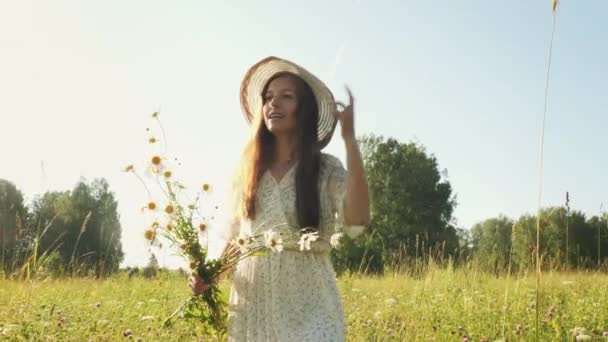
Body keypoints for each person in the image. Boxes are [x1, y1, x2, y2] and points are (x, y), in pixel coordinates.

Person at [189, 56, 370, 341]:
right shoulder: (247, 171)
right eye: (269, 97)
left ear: (305, 110)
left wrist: (350, 141)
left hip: (310, 303)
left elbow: (358, 219)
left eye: (287, 96)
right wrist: (208, 278)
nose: (274, 103)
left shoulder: (325, 168)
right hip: (255, 305)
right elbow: (237, 240)